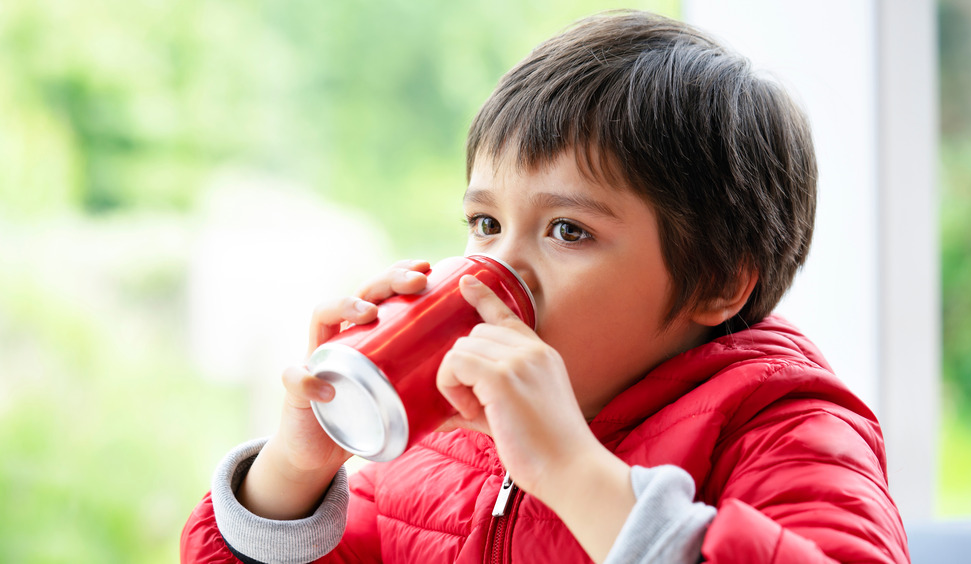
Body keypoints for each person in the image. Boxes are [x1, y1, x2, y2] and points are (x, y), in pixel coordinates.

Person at [181, 10, 909, 563]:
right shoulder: (442, 440)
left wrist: (572, 470)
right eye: (486, 223)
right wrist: (293, 472)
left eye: (568, 231)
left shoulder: (784, 428)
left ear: (716, 283)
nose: (498, 271)